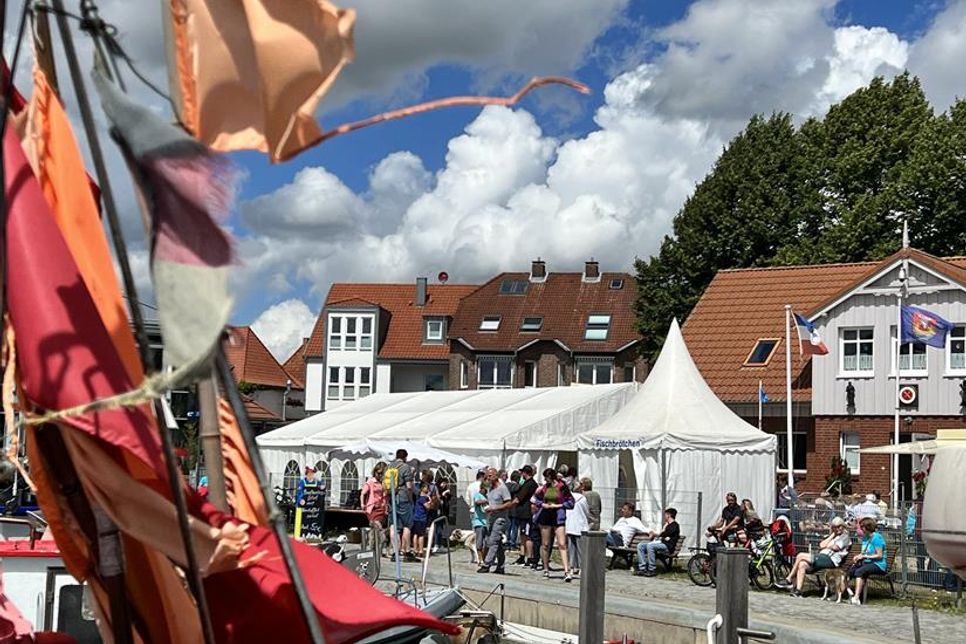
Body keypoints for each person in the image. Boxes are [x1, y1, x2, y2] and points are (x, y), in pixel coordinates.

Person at [776, 516, 850, 596]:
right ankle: (798, 591)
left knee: (800, 555)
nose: (837, 529)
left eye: (839, 526)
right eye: (835, 527)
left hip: (831, 560)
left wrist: (828, 546)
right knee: (802, 564)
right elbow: (822, 545)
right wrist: (832, 535)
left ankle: (789, 579)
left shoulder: (845, 537)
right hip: (822, 557)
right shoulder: (833, 536)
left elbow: (836, 548)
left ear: (843, 526)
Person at [533, 468, 575, 581]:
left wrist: (559, 505)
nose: (545, 480)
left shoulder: (562, 487)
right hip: (545, 516)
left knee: (562, 543)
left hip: (558, 516)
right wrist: (542, 504)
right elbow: (534, 499)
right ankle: (546, 568)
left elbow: (571, 502)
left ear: (551, 477)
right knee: (545, 544)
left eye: (546, 477)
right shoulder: (544, 488)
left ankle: (566, 570)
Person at [478, 468, 514, 574]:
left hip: (500, 519)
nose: (488, 478)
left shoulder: (502, 488)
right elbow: (489, 499)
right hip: (492, 518)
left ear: (496, 476)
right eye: (487, 476)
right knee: (496, 542)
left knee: (493, 541)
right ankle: (501, 566)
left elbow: (509, 503)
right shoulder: (490, 488)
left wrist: (495, 508)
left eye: (490, 476)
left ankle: (486, 564)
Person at [848, 517, 888, 605]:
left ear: (867, 527)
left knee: (859, 572)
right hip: (867, 562)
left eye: (862, 527)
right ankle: (846, 592)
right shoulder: (865, 538)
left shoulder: (877, 538)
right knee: (851, 571)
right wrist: (858, 556)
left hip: (878, 564)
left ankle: (857, 597)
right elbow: (864, 552)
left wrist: (865, 556)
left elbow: (879, 555)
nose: (860, 529)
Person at [386, 449, 416, 561]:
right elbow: (409, 486)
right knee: (407, 525)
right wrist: (410, 498)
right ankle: (406, 551)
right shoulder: (405, 467)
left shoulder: (389, 466)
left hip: (392, 498)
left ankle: (395, 552)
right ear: (405, 457)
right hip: (403, 498)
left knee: (393, 525)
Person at [635, 507, 680, 577]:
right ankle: (642, 568)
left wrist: (662, 534)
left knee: (650, 546)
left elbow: (664, 534)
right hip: (661, 543)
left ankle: (651, 569)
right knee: (640, 545)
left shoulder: (675, 525)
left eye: (665, 515)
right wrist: (663, 534)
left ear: (669, 515)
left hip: (667, 546)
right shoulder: (667, 525)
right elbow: (663, 535)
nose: (664, 516)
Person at [511, 465, 538, 567]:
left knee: (527, 535)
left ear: (525, 473)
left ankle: (529, 557)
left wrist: (509, 505)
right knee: (522, 535)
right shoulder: (527, 483)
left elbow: (519, 497)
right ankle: (522, 556)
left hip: (526, 513)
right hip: (522, 513)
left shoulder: (529, 484)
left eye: (522, 472)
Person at [361, 462, 388, 552]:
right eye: (378, 473)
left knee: (374, 530)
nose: (380, 475)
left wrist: (385, 506)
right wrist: (362, 504)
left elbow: (385, 496)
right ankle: (376, 546)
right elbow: (363, 493)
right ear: (375, 472)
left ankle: (373, 548)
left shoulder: (383, 483)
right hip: (372, 508)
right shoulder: (370, 481)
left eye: (382, 473)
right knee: (378, 527)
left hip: (381, 508)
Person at [566, 478, 590, 577]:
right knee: (581, 550)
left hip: (570, 526)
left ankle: (572, 567)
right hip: (580, 526)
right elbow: (587, 512)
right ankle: (581, 568)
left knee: (571, 549)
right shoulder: (582, 498)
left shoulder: (567, 498)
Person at [471, 480, 489, 564]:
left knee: (487, 542)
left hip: (486, 522)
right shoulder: (477, 495)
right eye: (485, 489)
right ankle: (480, 558)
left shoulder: (486, 496)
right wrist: (486, 501)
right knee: (479, 541)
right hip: (479, 521)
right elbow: (477, 502)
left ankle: (485, 558)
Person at [413, 484, 430, 559]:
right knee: (421, 535)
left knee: (415, 534)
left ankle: (415, 549)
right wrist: (430, 501)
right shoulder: (423, 498)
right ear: (422, 488)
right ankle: (420, 551)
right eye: (426, 488)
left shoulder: (417, 497)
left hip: (416, 518)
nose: (428, 489)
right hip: (421, 518)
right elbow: (428, 507)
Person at [505, 471, 521, 553]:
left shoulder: (505, 486)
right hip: (515, 509)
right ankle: (512, 543)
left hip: (507, 508)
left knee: (508, 526)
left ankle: (506, 541)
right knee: (515, 527)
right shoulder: (519, 487)